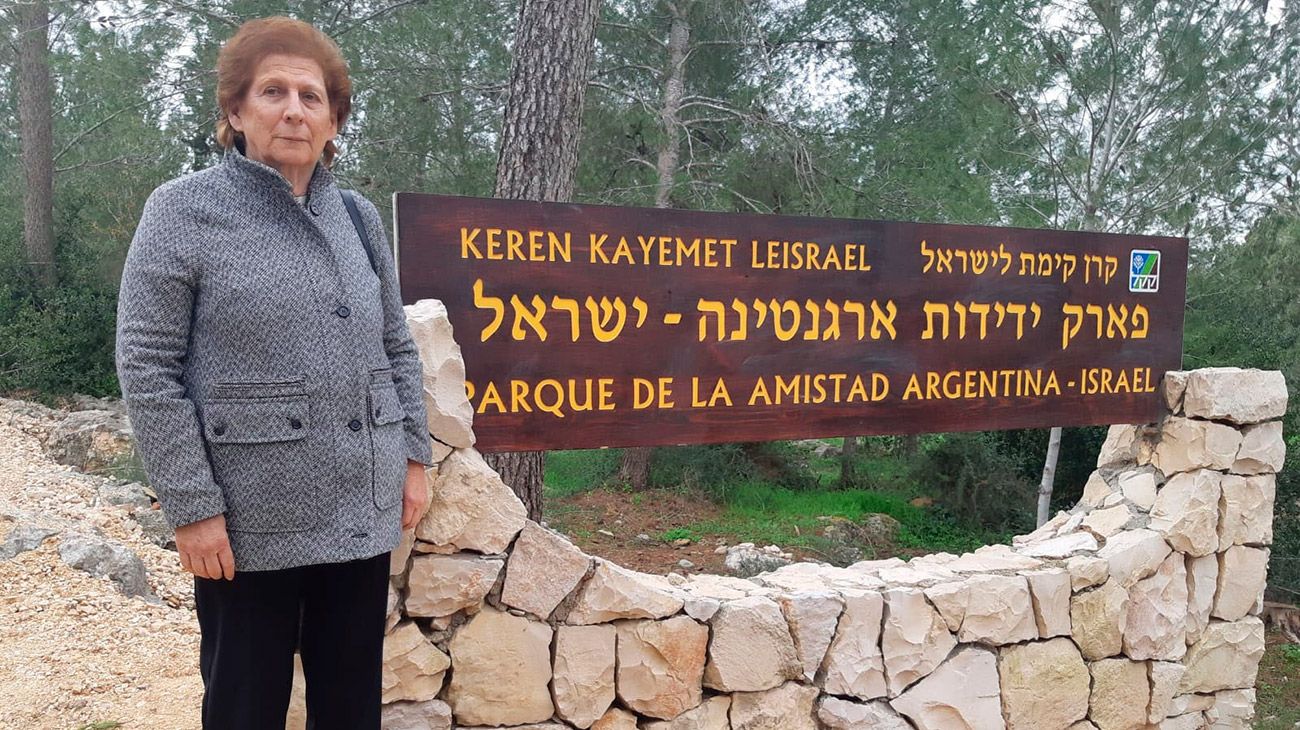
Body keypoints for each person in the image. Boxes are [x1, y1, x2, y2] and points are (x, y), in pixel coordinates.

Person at [114, 16, 434, 729]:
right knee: (244, 706)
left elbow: (394, 344)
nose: (294, 110)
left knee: (350, 706)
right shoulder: (182, 210)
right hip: (246, 521)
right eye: (273, 92)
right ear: (235, 111)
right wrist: (192, 506)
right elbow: (148, 365)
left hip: (360, 505)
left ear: (333, 120)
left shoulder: (357, 217)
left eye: (311, 97)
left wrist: (414, 456)